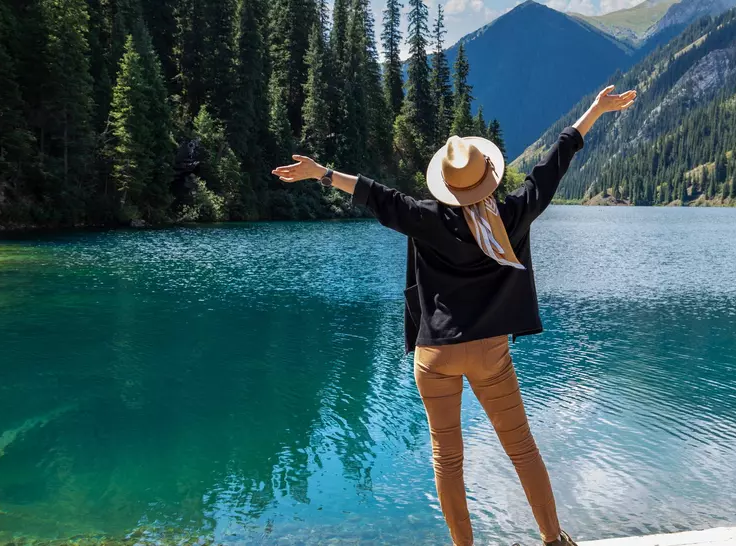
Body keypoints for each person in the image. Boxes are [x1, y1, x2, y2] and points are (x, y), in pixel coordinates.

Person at [272, 86, 637, 546]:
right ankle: (552, 538)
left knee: (447, 458)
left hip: (435, 356)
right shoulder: (512, 215)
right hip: (489, 355)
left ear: (444, 185)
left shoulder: (425, 218)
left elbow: (374, 195)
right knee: (522, 449)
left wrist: (320, 173)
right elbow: (554, 163)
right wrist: (595, 110)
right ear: (490, 177)